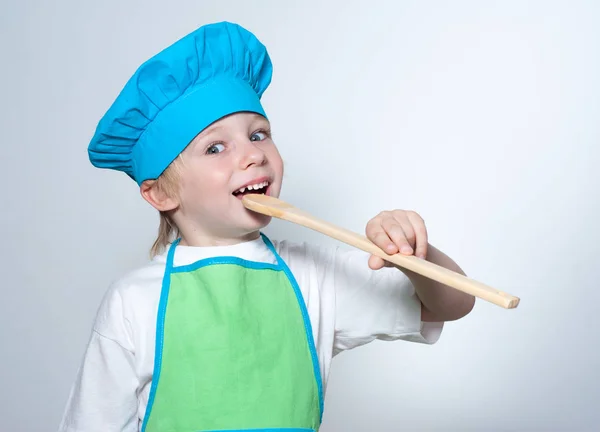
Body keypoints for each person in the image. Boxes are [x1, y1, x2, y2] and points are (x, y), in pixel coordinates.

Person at [58, 21, 475, 432]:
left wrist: (412, 255)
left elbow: (451, 304)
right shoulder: (133, 301)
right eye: (215, 147)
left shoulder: (314, 278)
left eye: (258, 135)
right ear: (161, 194)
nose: (253, 156)